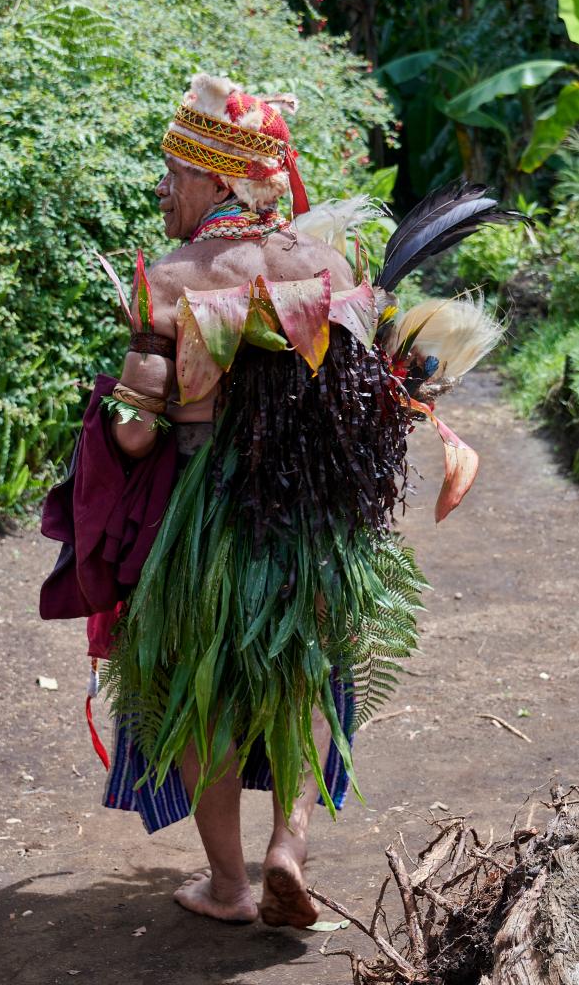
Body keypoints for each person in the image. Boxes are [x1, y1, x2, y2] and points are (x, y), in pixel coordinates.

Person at [42, 72, 520, 929]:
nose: (162, 188)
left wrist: (110, 407)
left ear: (218, 179)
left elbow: (138, 434)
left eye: (175, 172)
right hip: (312, 520)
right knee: (308, 678)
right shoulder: (329, 263)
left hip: (206, 517)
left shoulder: (174, 277)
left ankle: (228, 886)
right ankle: (286, 851)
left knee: (202, 692)